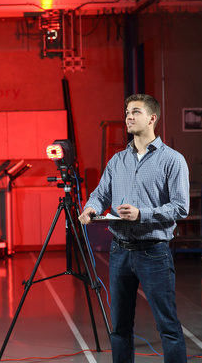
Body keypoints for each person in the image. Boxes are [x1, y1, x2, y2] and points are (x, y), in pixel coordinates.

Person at [78, 94, 189, 363]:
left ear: (152, 118)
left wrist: (142, 214)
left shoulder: (172, 160)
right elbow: (100, 194)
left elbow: (180, 207)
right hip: (120, 252)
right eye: (127, 111)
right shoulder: (117, 161)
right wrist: (91, 208)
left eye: (136, 111)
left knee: (168, 326)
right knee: (119, 328)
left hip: (154, 253)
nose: (128, 116)